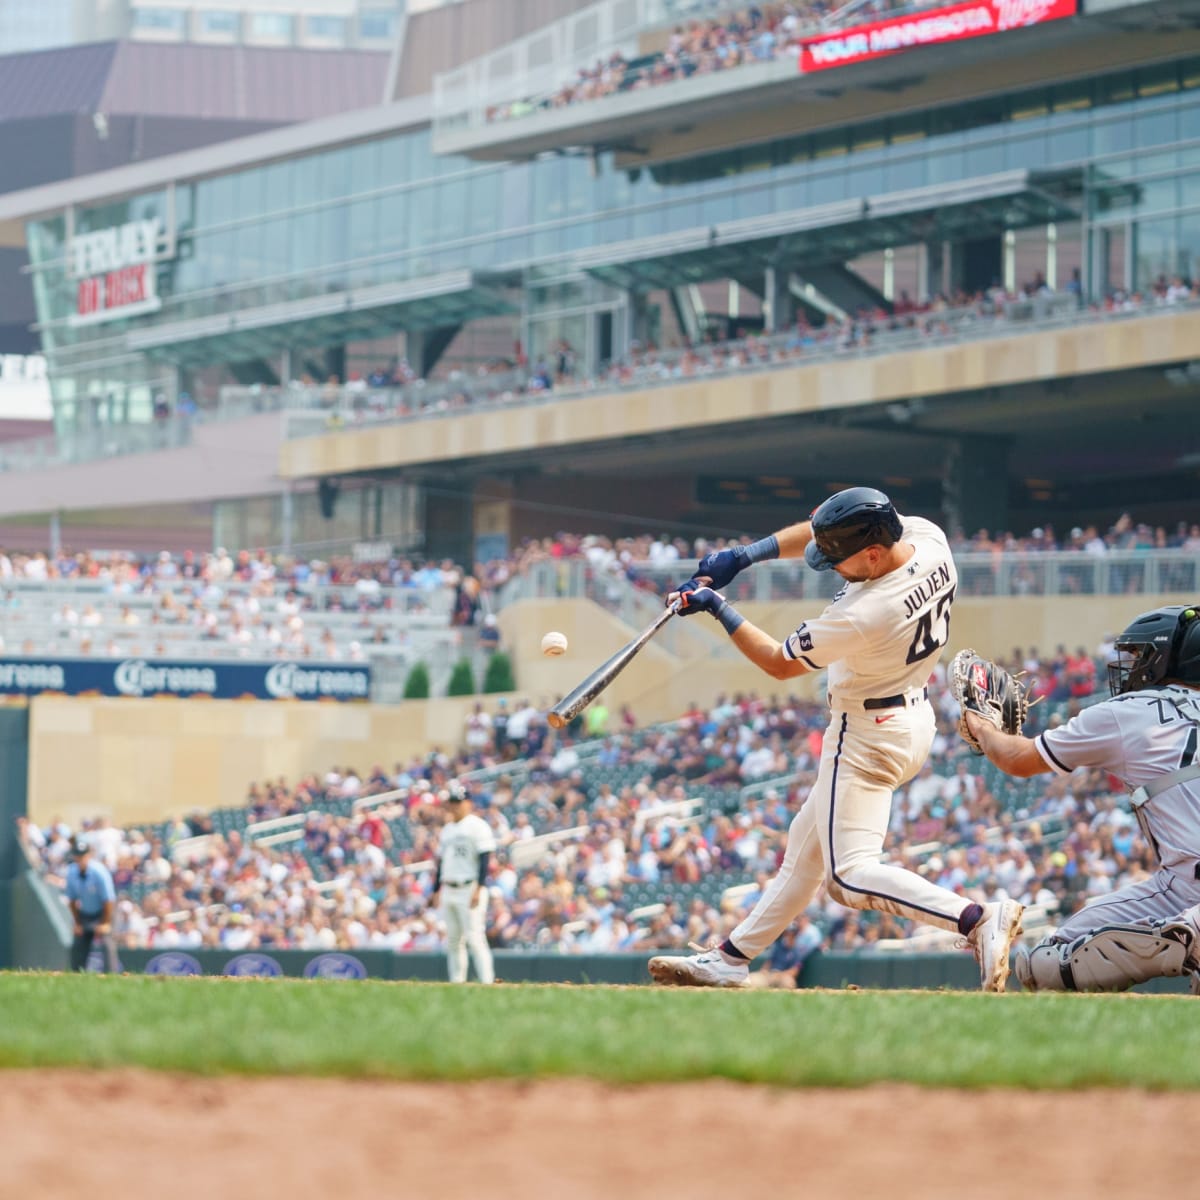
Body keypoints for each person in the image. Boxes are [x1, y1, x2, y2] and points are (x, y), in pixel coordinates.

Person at [647, 486, 1024, 992]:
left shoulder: (868, 612)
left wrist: (717, 605)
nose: (831, 567)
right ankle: (730, 959)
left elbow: (780, 663)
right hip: (909, 716)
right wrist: (744, 556)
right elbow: (829, 529)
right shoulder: (927, 539)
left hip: (866, 734)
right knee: (804, 852)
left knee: (847, 877)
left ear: (872, 554)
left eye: (840, 560)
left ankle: (977, 918)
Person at [959, 603, 1200, 993]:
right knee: (1046, 960)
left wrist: (983, 726)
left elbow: (1017, 760)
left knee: (1046, 964)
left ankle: (1187, 936)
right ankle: (1186, 936)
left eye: (1141, 656)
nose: (1131, 665)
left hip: (1187, 883)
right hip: (1178, 886)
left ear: (1168, 661)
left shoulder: (1131, 712)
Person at [429, 784, 497, 984]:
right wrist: (435, 890)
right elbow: (441, 863)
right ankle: (457, 982)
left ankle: (488, 982)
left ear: (468, 803)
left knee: (475, 938)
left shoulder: (477, 825)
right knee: (453, 941)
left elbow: (485, 859)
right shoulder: (447, 830)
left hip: (469, 887)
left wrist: (479, 887)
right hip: (449, 887)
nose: (455, 806)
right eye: (452, 802)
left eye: (458, 802)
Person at [65, 836, 117, 973]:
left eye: (82, 856)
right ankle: (76, 975)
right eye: (77, 856)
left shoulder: (99, 872)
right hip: (85, 913)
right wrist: (77, 923)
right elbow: (71, 900)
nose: (80, 859)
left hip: (104, 912)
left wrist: (105, 922)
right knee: (78, 945)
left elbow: (109, 900)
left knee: (106, 942)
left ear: (89, 855)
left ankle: (111, 974)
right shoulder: (71, 872)